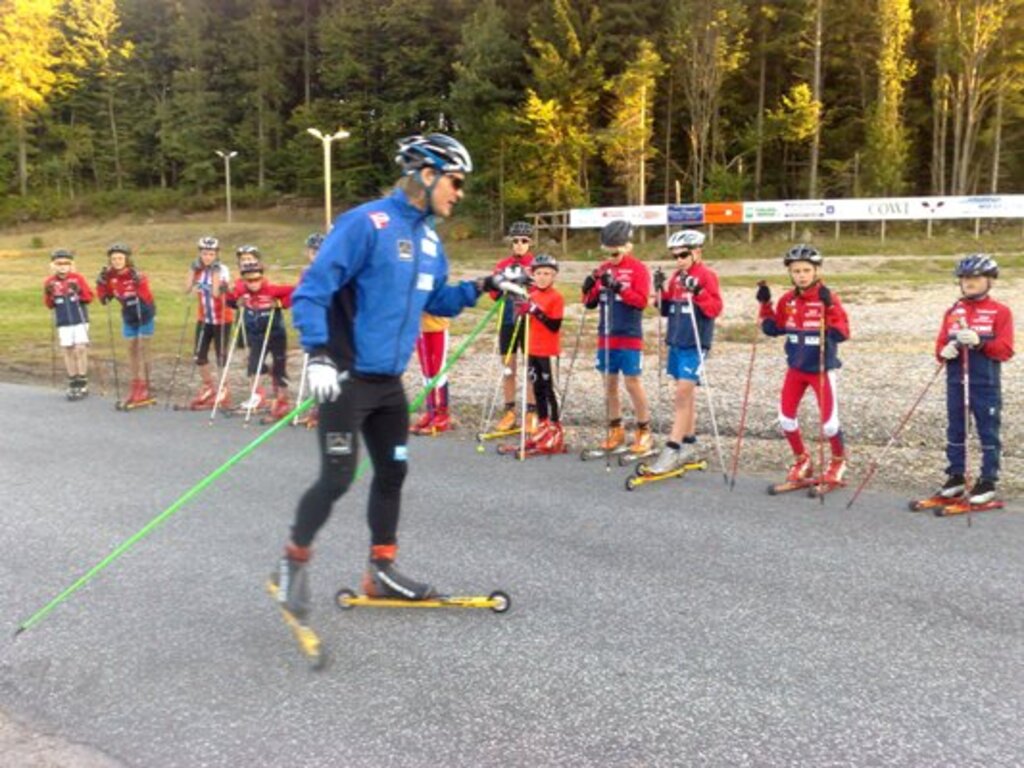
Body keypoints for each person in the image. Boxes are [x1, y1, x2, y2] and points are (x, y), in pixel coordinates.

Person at [274, 133, 520, 617]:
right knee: (338, 477)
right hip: (344, 377)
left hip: (387, 383)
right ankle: (292, 562)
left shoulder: (429, 241)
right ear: (426, 175)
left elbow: (436, 301)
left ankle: (381, 569)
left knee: (393, 469)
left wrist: (486, 286)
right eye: (455, 181)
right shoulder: (365, 223)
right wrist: (318, 353)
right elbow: (311, 292)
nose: (459, 192)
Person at [756, 244, 850, 486]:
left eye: (806, 270)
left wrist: (829, 308)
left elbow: (842, 333)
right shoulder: (788, 300)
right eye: (796, 271)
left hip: (820, 370)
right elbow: (773, 328)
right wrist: (765, 304)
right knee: (786, 418)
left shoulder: (826, 297)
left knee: (829, 425)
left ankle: (838, 461)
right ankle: (802, 460)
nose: (801, 275)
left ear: (816, 271)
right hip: (795, 369)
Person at [932, 254, 1014, 504]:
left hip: (984, 382)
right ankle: (956, 476)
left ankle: (987, 480)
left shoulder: (1000, 312)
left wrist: (980, 342)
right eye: (965, 278)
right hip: (956, 380)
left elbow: (1005, 349)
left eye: (975, 277)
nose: (969, 282)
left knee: (987, 431)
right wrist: (942, 352)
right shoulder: (953, 311)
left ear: (989, 280)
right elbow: (940, 345)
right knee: (956, 428)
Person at [647, 230, 723, 474]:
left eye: (683, 254)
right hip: (677, 341)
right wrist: (659, 294)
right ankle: (689, 444)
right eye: (675, 256)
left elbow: (715, 309)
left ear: (697, 252)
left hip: (696, 343)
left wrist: (698, 291)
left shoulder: (707, 276)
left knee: (681, 395)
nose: (678, 260)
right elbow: (666, 309)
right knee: (685, 396)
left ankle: (672, 447)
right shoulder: (676, 277)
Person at [581, 219, 653, 455]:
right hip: (606, 335)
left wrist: (620, 287)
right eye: (608, 251)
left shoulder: (638, 269)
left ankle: (644, 431)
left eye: (616, 251)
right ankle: (616, 429)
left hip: (629, 335)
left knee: (632, 383)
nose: (612, 256)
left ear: (627, 246)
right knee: (609, 384)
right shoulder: (602, 269)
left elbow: (642, 301)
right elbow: (589, 302)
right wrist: (588, 289)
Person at [228, 254, 295, 419]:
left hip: (276, 334)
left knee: (280, 368)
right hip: (257, 335)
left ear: (262, 277)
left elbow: (294, 292)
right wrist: (236, 303)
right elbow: (229, 299)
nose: (253, 284)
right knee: (253, 366)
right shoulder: (243, 292)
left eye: (256, 280)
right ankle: (259, 395)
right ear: (244, 280)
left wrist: (279, 304)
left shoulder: (271, 290)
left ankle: (283, 401)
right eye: (249, 281)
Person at [95, 244, 157, 408]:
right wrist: (100, 283)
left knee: (143, 348)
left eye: (120, 258)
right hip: (129, 316)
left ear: (127, 259)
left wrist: (138, 282)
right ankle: (136, 385)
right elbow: (104, 299)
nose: (116, 261)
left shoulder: (136, 274)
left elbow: (145, 294)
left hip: (144, 313)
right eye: (114, 258)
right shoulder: (110, 276)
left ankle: (145, 386)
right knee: (131, 350)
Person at [488, 220, 536, 433]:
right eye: (515, 241)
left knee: (531, 369)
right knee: (508, 368)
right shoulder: (502, 264)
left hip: (529, 321)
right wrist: (501, 284)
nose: (519, 244)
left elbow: (544, 289)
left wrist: (528, 282)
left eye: (523, 241)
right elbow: (492, 293)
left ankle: (531, 411)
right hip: (507, 320)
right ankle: (509, 411)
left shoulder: (535, 263)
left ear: (530, 243)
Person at [521, 253, 565, 453]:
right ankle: (543, 423)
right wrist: (521, 310)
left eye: (547, 273)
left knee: (549, 389)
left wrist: (535, 311)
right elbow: (524, 321)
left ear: (554, 276)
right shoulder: (531, 294)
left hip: (548, 350)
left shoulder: (556, 297)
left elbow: (554, 325)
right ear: (533, 274)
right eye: (539, 273)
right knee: (537, 387)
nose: (543, 277)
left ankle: (556, 428)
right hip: (532, 348)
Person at [185, 236, 232, 409]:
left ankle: (224, 390)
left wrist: (215, 272)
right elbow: (186, 288)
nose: (207, 257)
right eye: (204, 254)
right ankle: (208, 386)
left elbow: (216, 293)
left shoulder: (223, 269)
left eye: (211, 254)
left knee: (221, 356)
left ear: (217, 254)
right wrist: (192, 270)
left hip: (221, 319)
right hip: (204, 318)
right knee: (199, 355)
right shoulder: (197, 269)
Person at [43, 249, 93, 400]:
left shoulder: (77, 278)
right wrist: (49, 293)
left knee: (80, 348)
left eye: (66, 263)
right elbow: (49, 304)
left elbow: (89, 297)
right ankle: (73, 381)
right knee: (68, 350)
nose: (63, 266)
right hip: (63, 320)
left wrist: (79, 292)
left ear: (71, 265)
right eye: (59, 263)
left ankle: (82, 381)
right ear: (53, 265)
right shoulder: (50, 281)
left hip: (79, 319)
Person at [410, 313, 452, 434]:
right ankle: (431, 411)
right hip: (421, 329)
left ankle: (443, 414)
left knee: (438, 370)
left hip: (438, 328)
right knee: (426, 371)